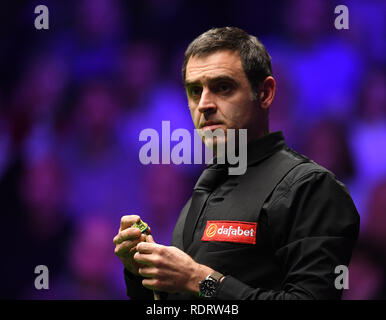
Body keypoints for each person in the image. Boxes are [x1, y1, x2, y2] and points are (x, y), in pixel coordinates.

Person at [113, 27, 360, 300]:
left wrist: (199, 279)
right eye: (195, 91)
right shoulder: (204, 189)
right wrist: (142, 276)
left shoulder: (312, 188)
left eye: (223, 87)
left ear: (265, 93)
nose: (204, 104)